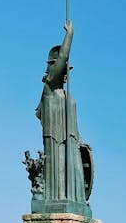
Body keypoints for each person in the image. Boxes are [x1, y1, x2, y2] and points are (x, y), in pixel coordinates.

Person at [36, 20, 89, 205]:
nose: (65, 73)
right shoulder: (50, 87)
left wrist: (80, 142)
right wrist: (69, 34)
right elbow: (63, 56)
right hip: (56, 143)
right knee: (57, 184)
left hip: (71, 143)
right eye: (62, 68)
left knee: (74, 183)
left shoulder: (66, 95)